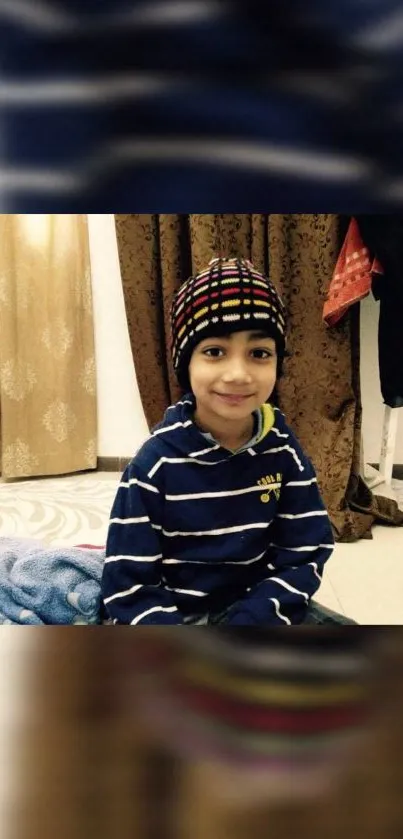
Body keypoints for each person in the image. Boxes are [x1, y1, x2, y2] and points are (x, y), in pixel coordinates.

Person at [102, 256, 354, 625]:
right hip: (175, 613)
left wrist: (254, 618)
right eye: (214, 351)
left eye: (259, 354)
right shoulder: (154, 464)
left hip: (255, 606)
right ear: (186, 364)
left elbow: (304, 552)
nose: (238, 374)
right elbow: (128, 585)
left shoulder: (284, 451)